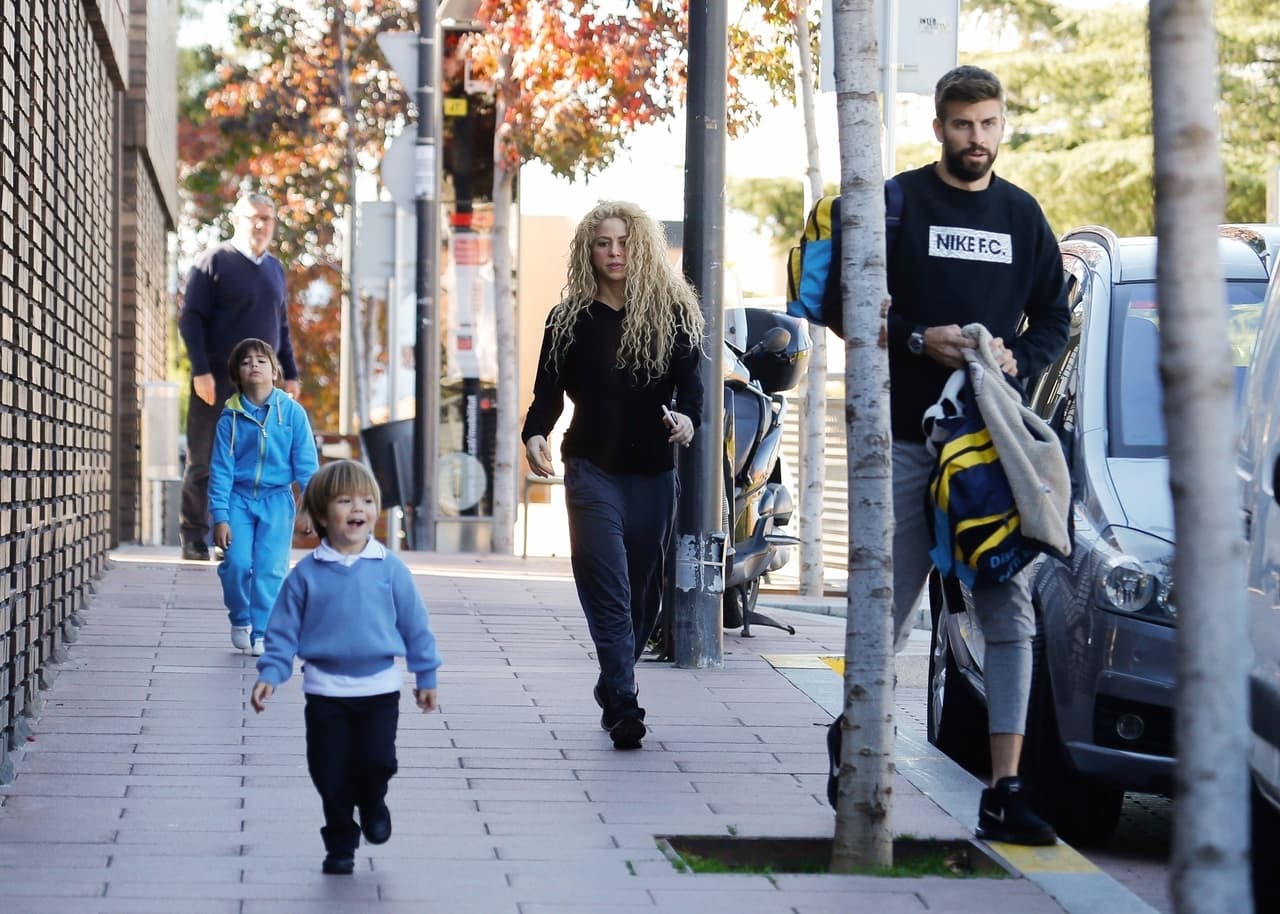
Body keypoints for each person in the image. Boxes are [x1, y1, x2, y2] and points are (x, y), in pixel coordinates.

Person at [883, 66, 1071, 845]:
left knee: (1008, 614)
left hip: (989, 454)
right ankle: (854, 743)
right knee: (884, 607)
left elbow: (1055, 320)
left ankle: (1006, 790)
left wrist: (1017, 358)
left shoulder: (1024, 217)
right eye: (963, 125)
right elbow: (845, 306)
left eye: (989, 123)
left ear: (1003, 124)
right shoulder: (898, 202)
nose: (977, 139)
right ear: (939, 128)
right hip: (904, 441)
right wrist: (915, 338)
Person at [521, 201, 703, 750]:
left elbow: (692, 391)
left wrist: (688, 422)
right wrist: (535, 435)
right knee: (609, 588)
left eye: (624, 242)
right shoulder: (568, 319)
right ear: (588, 250)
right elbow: (547, 395)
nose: (615, 252)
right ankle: (624, 701)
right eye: (603, 242)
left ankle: (611, 679)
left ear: (642, 246)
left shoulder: (674, 315)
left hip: (652, 472)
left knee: (644, 595)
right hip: (590, 469)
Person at [250, 459, 441, 876]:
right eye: (345, 500)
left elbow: (415, 625)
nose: (359, 508)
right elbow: (281, 632)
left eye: (367, 500)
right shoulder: (305, 577)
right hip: (325, 692)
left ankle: (373, 802)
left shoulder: (390, 569)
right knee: (328, 772)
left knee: (377, 762)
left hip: (379, 690)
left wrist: (425, 675)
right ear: (321, 514)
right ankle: (340, 842)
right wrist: (270, 673)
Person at [179, 192, 301, 561]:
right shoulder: (215, 261)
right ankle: (193, 537)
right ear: (237, 219)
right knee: (205, 460)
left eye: (268, 218)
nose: (261, 224)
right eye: (254, 217)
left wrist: (290, 373)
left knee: (250, 463)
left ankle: (230, 538)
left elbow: (281, 326)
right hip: (216, 380)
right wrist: (200, 370)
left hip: (262, 388)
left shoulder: (274, 269)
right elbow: (190, 318)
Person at [209, 338, 319, 656]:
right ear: (237, 375)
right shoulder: (229, 419)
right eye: (245, 362)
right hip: (238, 500)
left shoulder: (293, 414)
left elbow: (307, 466)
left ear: (275, 371)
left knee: (271, 568)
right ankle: (240, 617)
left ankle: (262, 631)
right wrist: (221, 516)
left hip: (276, 501)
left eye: (261, 360)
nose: (253, 365)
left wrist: (309, 508)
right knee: (236, 564)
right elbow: (220, 470)